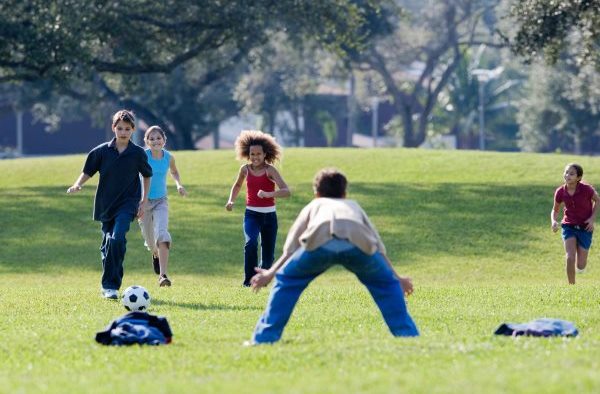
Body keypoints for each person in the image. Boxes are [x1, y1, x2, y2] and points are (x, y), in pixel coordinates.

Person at [247, 168, 419, 345]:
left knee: (287, 282)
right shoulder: (353, 206)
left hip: (320, 243)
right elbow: (377, 246)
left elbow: (291, 249)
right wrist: (397, 278)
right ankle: (409, 336)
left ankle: (264, 338)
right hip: (357, 244)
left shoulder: (314, 205)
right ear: (345, 193)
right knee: (385, 285)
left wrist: (271, 274)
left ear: (316, 193)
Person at [67, 110, 152, 299]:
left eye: (127, 129)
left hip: (128, 204)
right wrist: (77, 184)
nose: (123, 132)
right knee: (108, 245)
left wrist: (143, 202)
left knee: (117, 238)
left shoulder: (137, 153)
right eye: (120, 128)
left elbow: (147, 175)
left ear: (133, 130)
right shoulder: (101, 152)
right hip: (106, 205)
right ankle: (110, 281)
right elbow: (88, 171)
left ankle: (110, 286)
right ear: (114, 128)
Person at [226, 130, 290, 287]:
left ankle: (261, 278)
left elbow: (286, 191)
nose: (255, 157)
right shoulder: (245, 169)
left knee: (268, 257)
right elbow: (237, 185)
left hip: (270, 218)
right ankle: (248, 280)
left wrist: (269, 194)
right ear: (247, 154)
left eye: (258, 154)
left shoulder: (270, 170)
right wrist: (231, 201)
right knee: (251, 243)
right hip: (252, 215)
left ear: (265, 154)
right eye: (252, 154)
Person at [138, 126, 187, 287]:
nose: (155, 141)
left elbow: (174, 171)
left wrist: (179, 184)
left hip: (161, 201)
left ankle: (163, 275)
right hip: (144, 203)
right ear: (146, 141)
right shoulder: (143, 156)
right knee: (151, 241)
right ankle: (155, 254)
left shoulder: (168, 157)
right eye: (151, 139)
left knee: (162, 234)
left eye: (158, 138)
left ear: (164, 140)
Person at [551, 163, 600, 284]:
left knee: (581, 265)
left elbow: (598, 200)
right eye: (566, 172)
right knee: (569, 257)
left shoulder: (586, 189)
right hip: (569, 226)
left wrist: (592, 219)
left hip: (585, 227)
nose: (567, 175)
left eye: (571, 173)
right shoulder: (560, 192)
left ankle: (580, 263)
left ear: (578, 177)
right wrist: (553, 221)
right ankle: (571, 286)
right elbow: (555, 209)